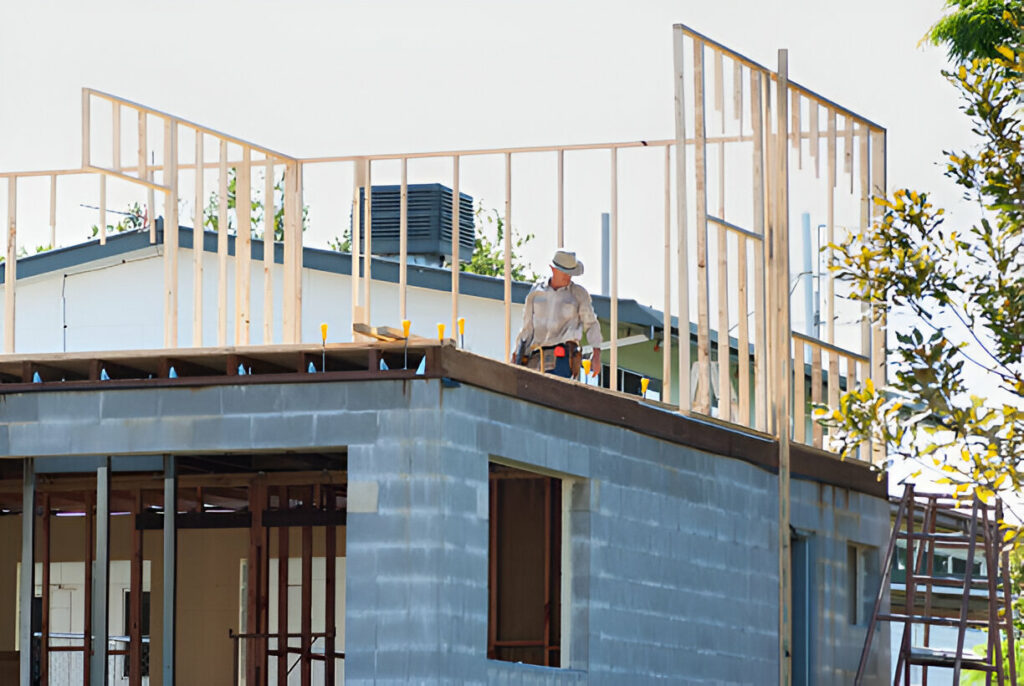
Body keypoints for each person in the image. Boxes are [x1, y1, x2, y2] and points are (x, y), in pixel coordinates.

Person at [512, 249, 602, 379]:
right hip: (535, 357)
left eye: (571, 273)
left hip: (562, 358)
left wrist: (596, 354)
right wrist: (517, 354)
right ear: (553, 269)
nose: (568, 276)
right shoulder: (535, 293)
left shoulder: (578, 294)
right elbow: (527, 329)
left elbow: (591, 324)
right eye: (565, 272)